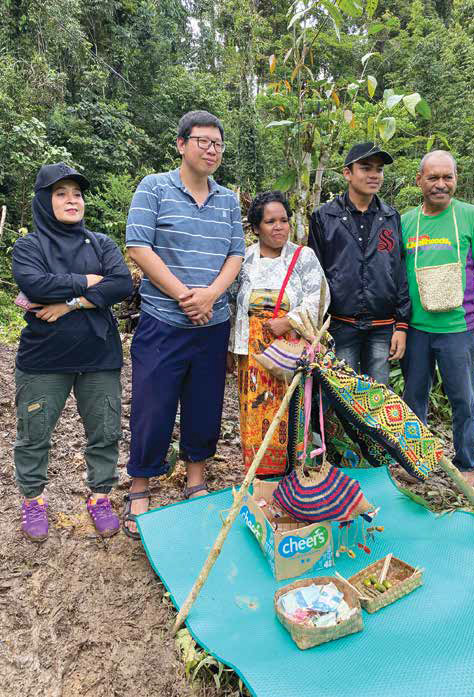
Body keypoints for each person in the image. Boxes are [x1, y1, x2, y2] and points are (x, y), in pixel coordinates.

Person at [124, 110, 244, 537]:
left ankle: (195, 480)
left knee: (204, 406)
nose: (211, 150)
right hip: (163, 320)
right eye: (203, 141)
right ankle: (140, 487)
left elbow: (235, 255)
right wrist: (183, 295)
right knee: (151, 407)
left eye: (218, 144)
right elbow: (138, 246)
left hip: (213, 323)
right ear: (181, 144)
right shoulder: (154, 187)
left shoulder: (228, 199)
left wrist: (211, 295)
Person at [12, 163, 133, 542]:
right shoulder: (30, 246)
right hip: (44, 360)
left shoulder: (100, 243)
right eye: (61, 193)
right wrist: (86, 282)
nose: (71, 200)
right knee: (34, 433)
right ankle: (33, 500)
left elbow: (121, 284)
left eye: (76, 194)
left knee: (105, 431)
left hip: (98, 356)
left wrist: (71, 304)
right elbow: (34, 283)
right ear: (45, 201)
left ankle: (100, 498)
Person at [401, 150, 474, 485]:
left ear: (456, 179)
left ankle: (467, 464)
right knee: (414, 397)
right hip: (416, 328)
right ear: (419, 180)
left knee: (463, 398)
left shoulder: (473, 217)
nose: (441, 184)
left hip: (460, 327)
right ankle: (417, 462)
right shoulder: (406, 221)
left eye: (448, 177)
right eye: (433, 178)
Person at [229, 190, 329, 477]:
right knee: (253, 414)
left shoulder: (302, 257)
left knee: (291, 412)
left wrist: (289, 321)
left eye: (283, 220)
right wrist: (230, 349)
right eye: (270, 221)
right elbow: (234, 303)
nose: (279, 227)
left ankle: (291, 475)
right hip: (253, 357)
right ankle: (259, 477)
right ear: (256, 227)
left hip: (290, 353)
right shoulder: (244, 260)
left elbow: (319, 297)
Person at [308, 142, 410, 385]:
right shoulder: (325, 217)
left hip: (382, 326)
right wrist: (318, 328)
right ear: (347, 173)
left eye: (379, 169)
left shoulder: (390, 216)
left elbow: (399, 271)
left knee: (378, 398)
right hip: (341, 325)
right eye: (366, 168)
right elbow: (315, 274)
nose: (374, 175)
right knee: (344, 398)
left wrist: (402, 325)